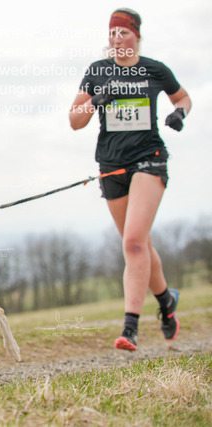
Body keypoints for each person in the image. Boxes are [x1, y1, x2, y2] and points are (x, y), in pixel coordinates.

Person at [69, 8, 192, 351]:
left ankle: (130, 327)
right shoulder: (98, 71)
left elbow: (183, 97)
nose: (117, 38)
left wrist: (179, 113)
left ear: (137, 35)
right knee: (139, 245)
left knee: (134, 243)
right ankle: (166, 302)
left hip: (149, 159)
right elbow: (74, 120)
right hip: (111, 166)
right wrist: (96, 100)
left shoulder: (154, 69)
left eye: (123, 32)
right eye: (112, 33)